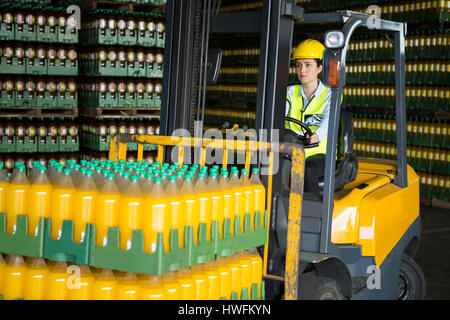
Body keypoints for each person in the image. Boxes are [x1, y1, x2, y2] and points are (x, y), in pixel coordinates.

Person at [285, 39, 330, 193]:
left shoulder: (330, 95)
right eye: (298, 65)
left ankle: (311, 212)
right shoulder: (290, 93)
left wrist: (317, 134)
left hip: (319, 153)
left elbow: (328, 120)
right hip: (290, 150)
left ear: (320, 67)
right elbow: (280, 114)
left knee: (307, 169)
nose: (302, 70)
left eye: (307, 64)